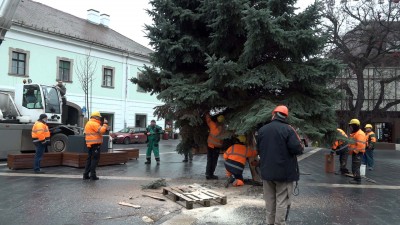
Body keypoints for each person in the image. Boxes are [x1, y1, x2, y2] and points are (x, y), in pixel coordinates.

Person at [257, 105, 304, 225]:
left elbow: (259, 149)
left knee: (270, 201)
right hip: (284, 174)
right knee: (282, 201)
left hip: (267, 173)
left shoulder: (262, 130)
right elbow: (297, 149)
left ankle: (270, 223)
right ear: (285, 116)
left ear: (274, 115)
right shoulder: (289, 129)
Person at [83, 111, 109, 180]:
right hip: (95, 144)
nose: (99, 118)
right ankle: (93, 175)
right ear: (95, 117)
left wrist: (104, 127)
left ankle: (85, 174)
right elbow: (102, 131)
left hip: (90, 144)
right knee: (94, 160)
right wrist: (105, 124)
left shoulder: (88, 123)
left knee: (89, 160)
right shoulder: (94, 123)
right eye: (98, 117)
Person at [205, 113, 225, 180]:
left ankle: (208, 174)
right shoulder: (223, 129)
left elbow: (208, 120)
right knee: (214, 161)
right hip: (216, 147)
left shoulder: (212, 124)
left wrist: (207, 112)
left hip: (210, 145)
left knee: (209, 160)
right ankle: (211, 174)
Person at [348, 119, 366, 184]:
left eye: (351, 126)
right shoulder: (355, 133)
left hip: (358, 153)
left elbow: (360, 145)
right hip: (356, 153)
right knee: (354, 166)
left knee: (356, 166)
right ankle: (356, 178)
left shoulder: (360, 134)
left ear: (355, 125)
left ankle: (357, 179)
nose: (350, 127)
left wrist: (355, 152)